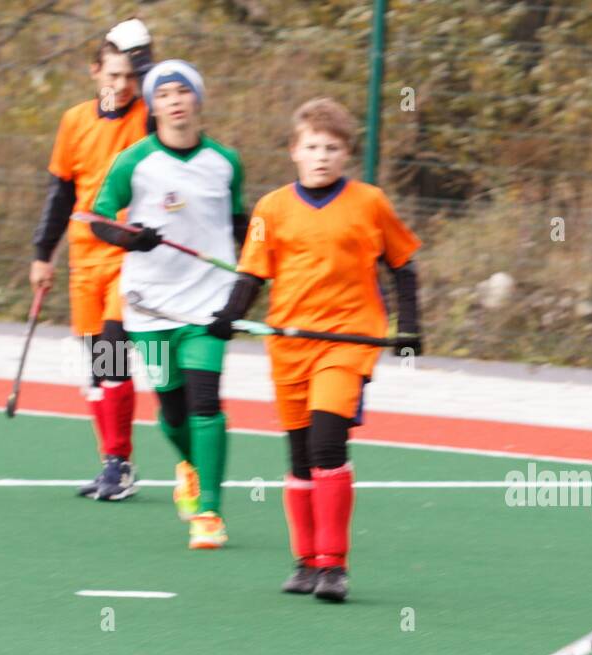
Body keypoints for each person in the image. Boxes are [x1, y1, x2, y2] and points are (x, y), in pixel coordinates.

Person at [209, 98, 421, 601]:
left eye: (332, 148)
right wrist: (228, 316)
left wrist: (410, 326)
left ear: (346, 153)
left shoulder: (369, 203)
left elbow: (404, 266)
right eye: (311, 147)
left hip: (347, 342)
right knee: (301, 457)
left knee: (328, 444)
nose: (321, 156)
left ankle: (333, 565)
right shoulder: (272, 208)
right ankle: (305, 561)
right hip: (290, 346)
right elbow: (253, 273)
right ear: (294, 151)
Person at [90, 59, 246, 550]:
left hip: (208, 304)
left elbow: (242, 227)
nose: (174, 101)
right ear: (153, 105)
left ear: (197, 100)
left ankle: (209, 512)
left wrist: (251, 282)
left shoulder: (226, 162)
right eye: (164, 94)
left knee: (205, 401)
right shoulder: (133, 161)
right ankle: (188, 466)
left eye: (183, 92)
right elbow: (97, 219)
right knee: (173, 410)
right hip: (148, 308)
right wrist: (131, 239)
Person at [30, 22, 153, 500]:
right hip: (85, 260)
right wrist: (43, 254)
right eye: (114, 73)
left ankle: (119, 463)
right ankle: (111, 462)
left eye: (131, 74)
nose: (122, 85)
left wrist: (147, 60)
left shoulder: (149, 117)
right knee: (95, 366)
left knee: (114, 350)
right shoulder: (74, 121)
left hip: (131, 261)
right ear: (95, 71)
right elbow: (60, 194)